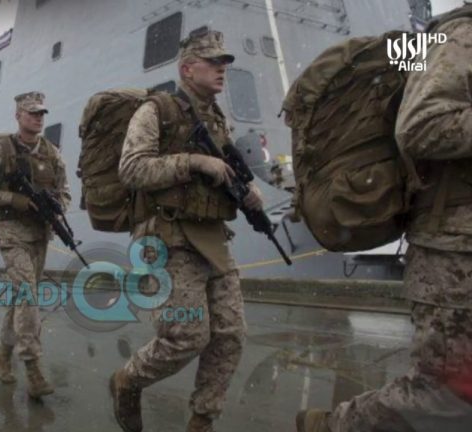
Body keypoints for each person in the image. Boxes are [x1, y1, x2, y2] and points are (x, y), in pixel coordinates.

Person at [296, 5, 472, 432]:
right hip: (454, 250)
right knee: (446, 392)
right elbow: (420, 125)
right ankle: (332, 427)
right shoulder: (464, 34)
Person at [110, 28, 263, 432]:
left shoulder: (216, 119)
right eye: (213, 62)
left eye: (224, 62)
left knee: (230, 334)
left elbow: (223, 174)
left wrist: (247, 192)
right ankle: (128, 380)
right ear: (187, 69)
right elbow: (132, 169)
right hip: (167, 239)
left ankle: (202, 420)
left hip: (212, 239)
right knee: (187, 336)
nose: (221, 69)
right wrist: (192, 162)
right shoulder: (156, 110)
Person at [0, 91, 71, 398]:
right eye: (32, 113)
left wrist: (56, 207)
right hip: (11, 232)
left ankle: (3, 353)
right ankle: (32, 365)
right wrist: (16, 200)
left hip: (40, 234)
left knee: (21, 299)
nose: (38, 118)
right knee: (28, 292)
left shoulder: (51, 153)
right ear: (18, 116)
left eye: (41, 113)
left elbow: (65, 191)